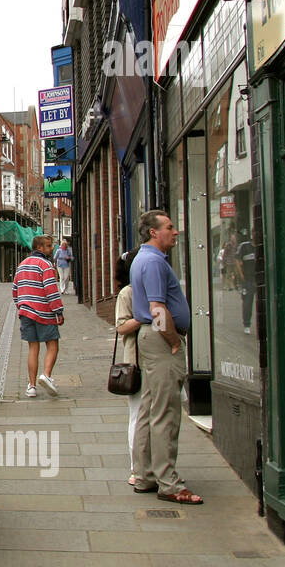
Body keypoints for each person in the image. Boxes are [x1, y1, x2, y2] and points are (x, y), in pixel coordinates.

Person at [130, 209, 201, 504]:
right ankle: (169, 483)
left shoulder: (141, 260)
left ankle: (145, 475)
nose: (175, 232)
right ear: (153, 233)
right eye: (169, 227)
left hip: (149, 339)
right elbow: (158, 310)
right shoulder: (154, 262)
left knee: (149, 409)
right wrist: (173, 341)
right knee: (165, 413)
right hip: (161, 342)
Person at [13, 235, 64, 397]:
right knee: (52, 344)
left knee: (33, 348)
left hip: (26, 312)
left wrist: (20, 306)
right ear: (40, 248)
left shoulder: (21, 265)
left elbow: (15, 289)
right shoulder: (46, 265)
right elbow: (51, 290)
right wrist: (58, 311)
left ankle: (32, 386)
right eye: (48, 246)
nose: (51, 249)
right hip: (44, 312)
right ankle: (47, 375)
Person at [113, 249, 143, 485]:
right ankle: (137, 467)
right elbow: (121, 327)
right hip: (136, 361)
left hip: (154, 361)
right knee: (138, 415)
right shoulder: (127, 293)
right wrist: (145, 317)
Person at [235, 229, 257, 334]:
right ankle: (247, 324)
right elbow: (238, 260)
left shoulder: (262, 246)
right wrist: (242, 275)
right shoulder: (244, 246)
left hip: (259, 279)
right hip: (248, 279)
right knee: (247, 302)